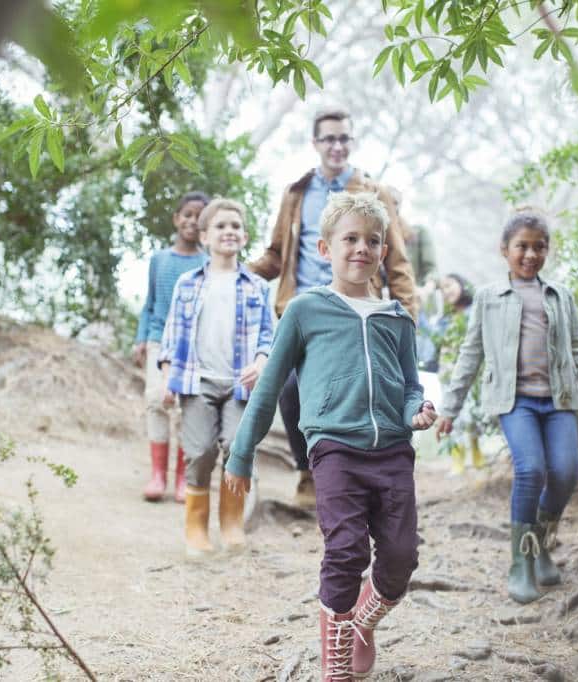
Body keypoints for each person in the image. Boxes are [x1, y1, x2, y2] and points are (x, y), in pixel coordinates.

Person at [225, 192, 436, 681]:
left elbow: (409, 385)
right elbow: (271, 384)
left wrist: (416, 410)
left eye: (373, 240)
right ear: (325, 249)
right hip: (334, 448)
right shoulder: (305, 310)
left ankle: (363, 622)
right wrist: (241, 453)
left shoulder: (396, 318)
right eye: (350, 238)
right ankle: (335, 658)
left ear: (384, 251)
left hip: (393, 452)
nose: (361, 248)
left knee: (401, 558)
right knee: (345, 551)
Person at [436, 210, 578, 604]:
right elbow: (471, 354)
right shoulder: (488, 297)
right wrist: (449, 408)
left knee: (565, 474)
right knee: (531, 469)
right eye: (522, 246)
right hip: (515, 402)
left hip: (559, 400)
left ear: (548, 250)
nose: (531, 254)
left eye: (539, 246)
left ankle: (540, 544)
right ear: (505, 250)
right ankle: (521, 563)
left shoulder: (561, 296)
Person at [249, 108, 417, 508]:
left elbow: (397, 264)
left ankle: (368, 480)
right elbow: (275, 255)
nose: (337, 146)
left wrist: (405, 318)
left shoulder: (374, 194)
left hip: (357, 311)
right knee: (290, 390)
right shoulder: (296, 194)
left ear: (352, 143)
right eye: (329, 139)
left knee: (360, 390)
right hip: (302, 312)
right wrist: (236, 274)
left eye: (344, 138)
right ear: (316, 144)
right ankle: (308, 472)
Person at [157, 198, 274, 556]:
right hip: (197, 382)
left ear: (245, 236)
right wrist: (166, 379)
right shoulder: (188, 284)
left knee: (238, 448)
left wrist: (261, 361)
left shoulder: (257, 287)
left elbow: (269, 336)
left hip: (240, 385)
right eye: (221, 226)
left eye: (235, 226)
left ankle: (232, 525)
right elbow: (171, 338)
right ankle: (196, 531)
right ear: (204, 236)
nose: (229, 232)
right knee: (200, 451)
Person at [132, 191, 209, 503]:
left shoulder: (208, 262)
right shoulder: (159, 260)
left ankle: (183, 478)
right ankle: (157, 475)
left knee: (185, 407)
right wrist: (140, 339)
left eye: (198, 217)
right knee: (155, 400)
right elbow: (149, 304)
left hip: (193, 346)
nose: (192, 221)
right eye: (187, 214)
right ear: (177, 218)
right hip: (157, 340)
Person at [433, 273, 485, 475]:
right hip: (447, 375)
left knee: (471, 415)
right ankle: (457, 459)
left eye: (450, 285)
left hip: (469, 374)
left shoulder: (473, 312)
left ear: (462, 285)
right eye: (442, 289)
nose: (447, 291)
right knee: (452, 418)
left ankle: (477, 453)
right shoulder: (444, 318)